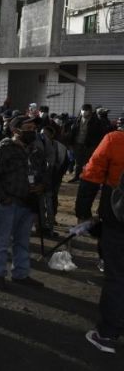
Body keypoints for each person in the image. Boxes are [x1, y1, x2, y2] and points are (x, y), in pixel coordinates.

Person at [0, 116, 48, 290]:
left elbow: (43, 173)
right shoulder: (2, 150)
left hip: (28, 204)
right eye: (27, 127)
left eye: (33, 127)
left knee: (22, 241)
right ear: (15, 131)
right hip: (8, 204)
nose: (32, 130)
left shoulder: (36, 151)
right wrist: (3, 198)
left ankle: (21, 274)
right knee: (2, 241)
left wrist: (41, 186)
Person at [80, 118, 124, 353]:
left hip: (117, 219)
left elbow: (92, 174)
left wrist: (83, 212)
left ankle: (107, 333)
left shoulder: (115, 140)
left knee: (117, 277)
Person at [68, 104, 105, 182]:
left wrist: (95, 145)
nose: (84, 112)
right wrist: (71, 143)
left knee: (87, 162)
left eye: (86, 110)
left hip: (89, 145)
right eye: (82, 110)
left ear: (90, 111)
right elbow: (73, 132)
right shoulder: (77, 120)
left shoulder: (96, 121)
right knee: (77, 162)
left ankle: (85, 177)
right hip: (77, 144)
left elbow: (100, 134)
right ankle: (77, 177)